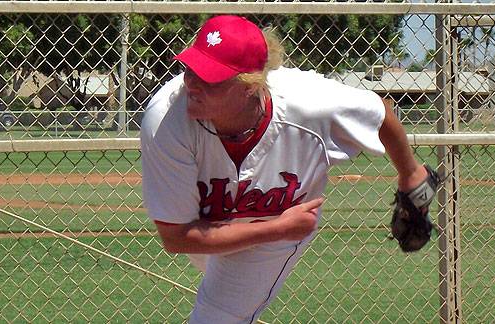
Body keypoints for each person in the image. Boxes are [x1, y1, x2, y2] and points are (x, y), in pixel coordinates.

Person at [140, 15, 430, 324]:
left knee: (215, 317)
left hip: (279, 223)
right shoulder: (166, 120)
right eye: (190, 68)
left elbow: (379, 112)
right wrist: (278, 228)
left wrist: (411, 175)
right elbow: (177, 238)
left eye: (210, 77)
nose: (191, 84)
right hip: (258, 225)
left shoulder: (310, 103)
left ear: (249, 86)